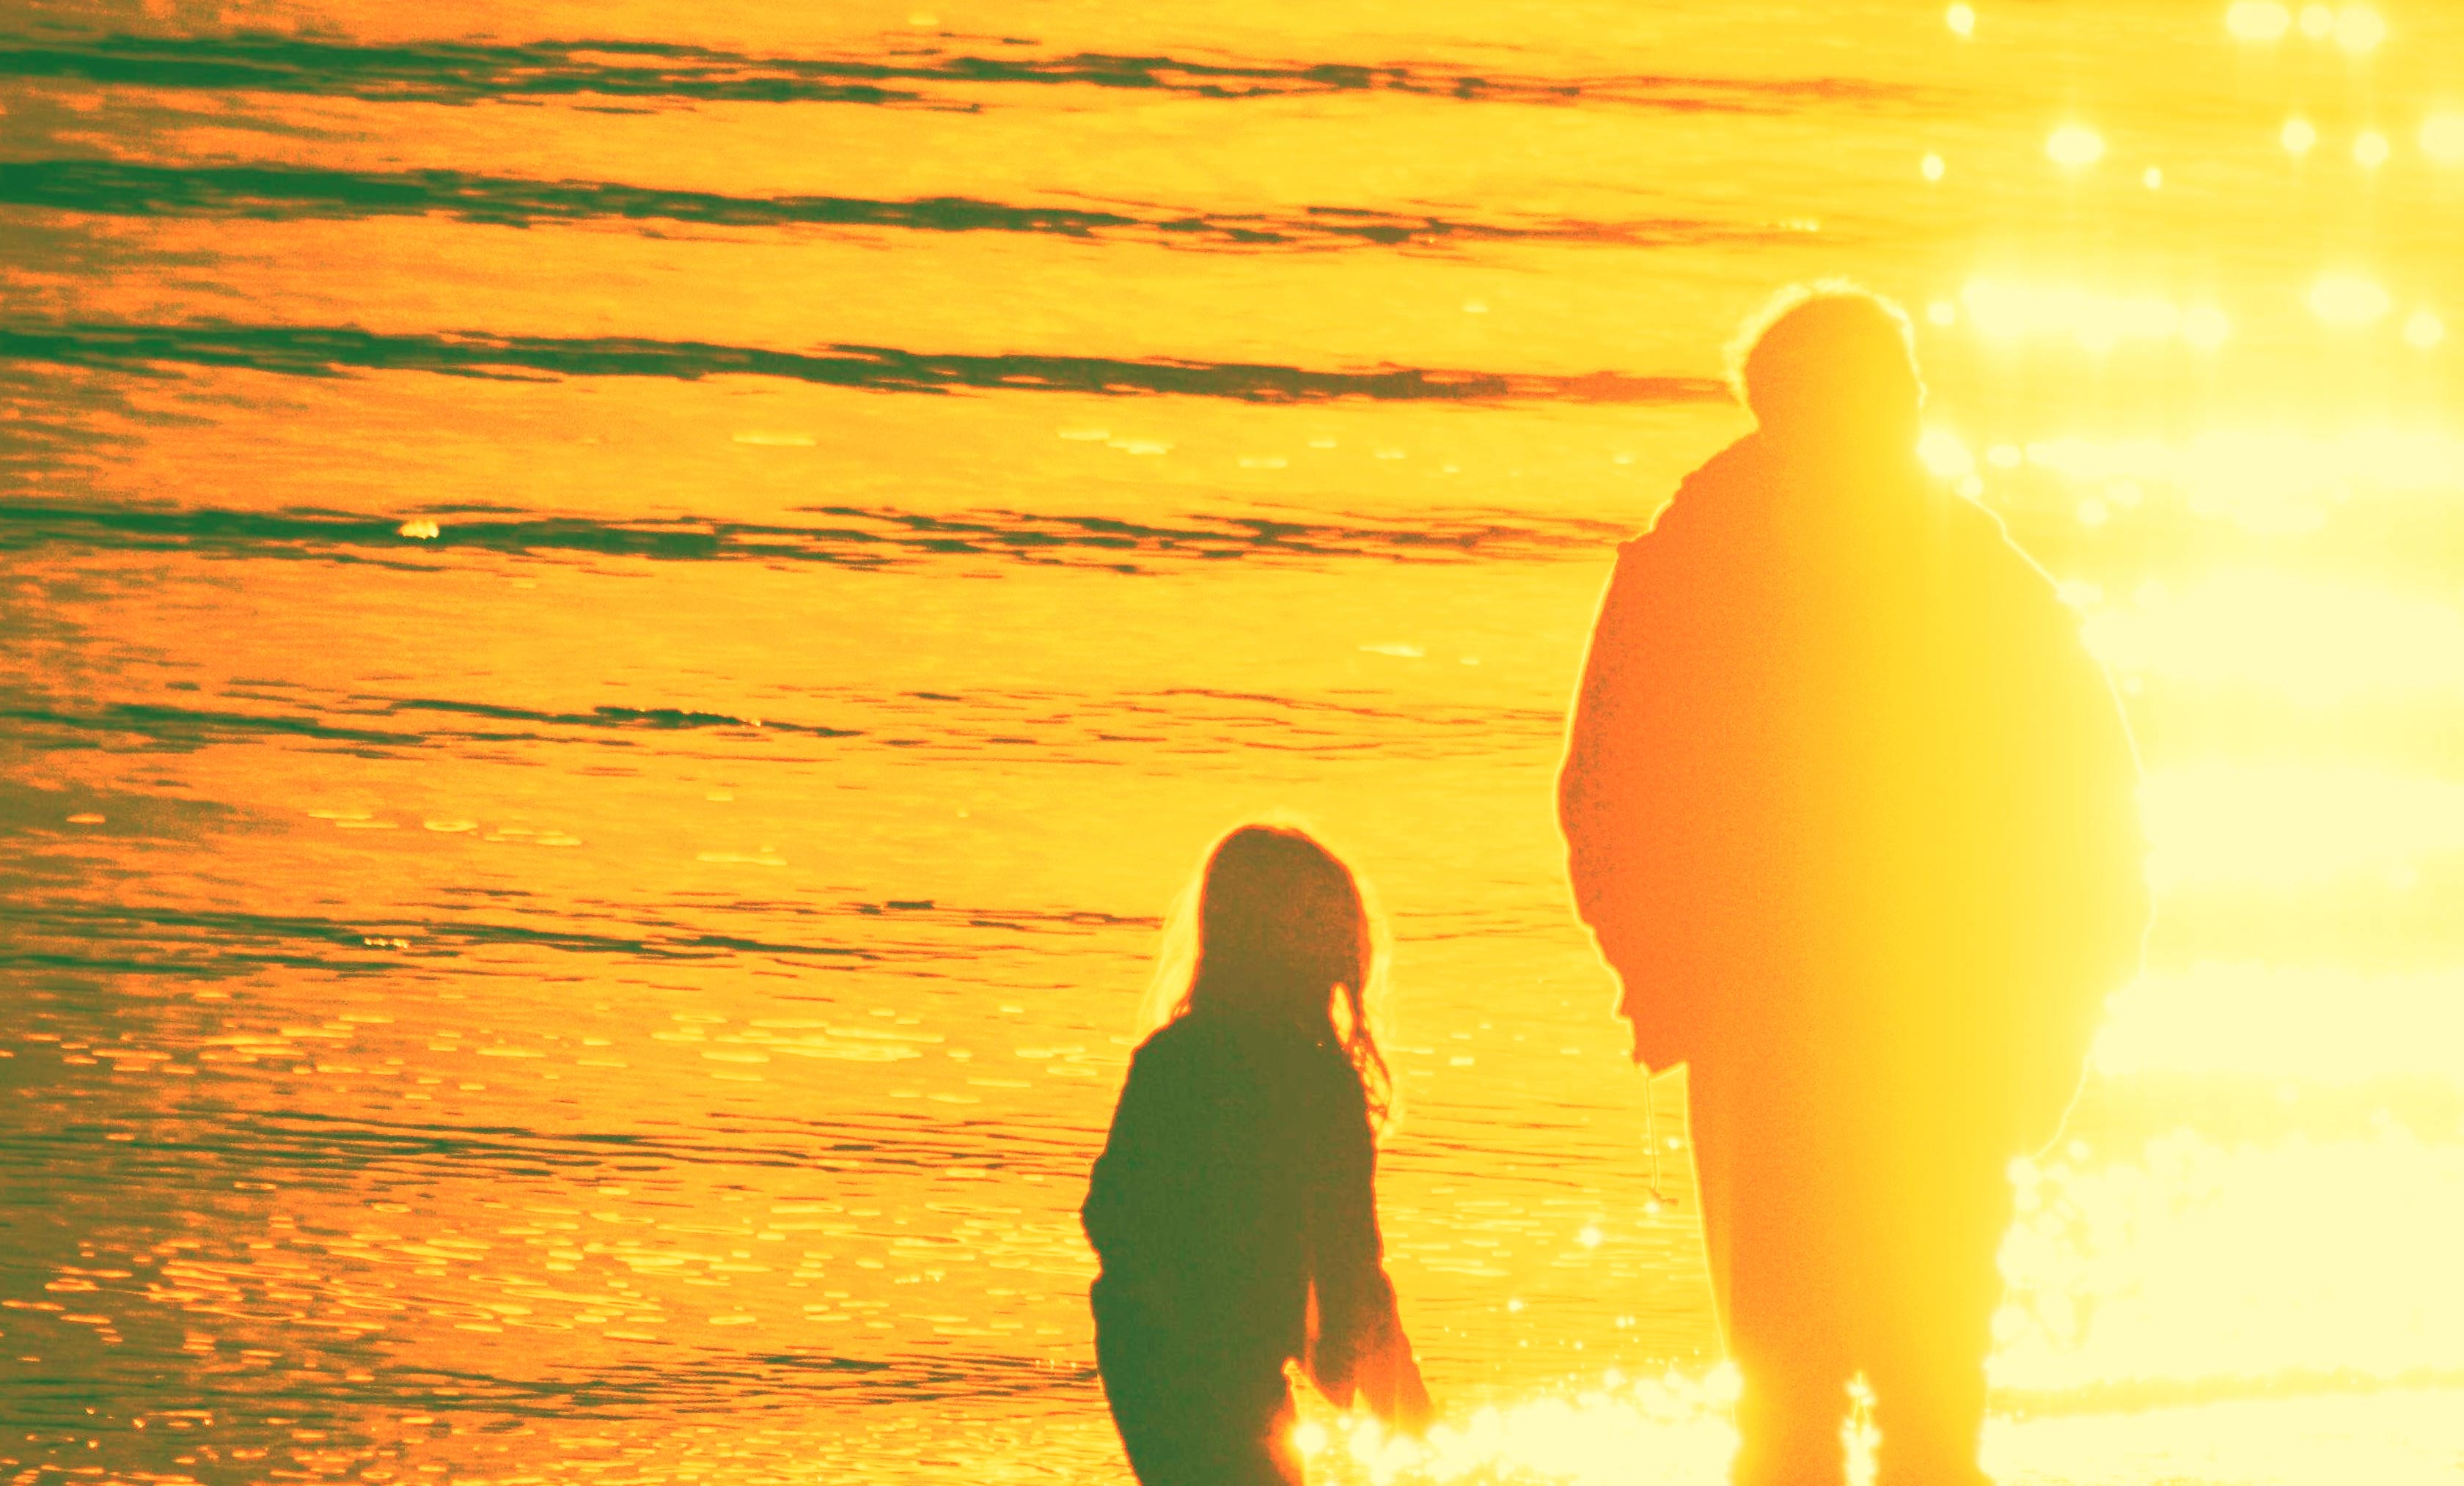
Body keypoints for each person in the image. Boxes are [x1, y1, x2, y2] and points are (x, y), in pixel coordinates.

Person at [1556, 284, 2148, 1486]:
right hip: (1778, 1029)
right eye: (1872, 399)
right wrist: (1662, 977)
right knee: (1811, 1410)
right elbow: (1604, 797)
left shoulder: (1979, 581)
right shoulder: (1693, 573)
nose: (1893, 420)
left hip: (1920, 1032)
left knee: (1898, 1407)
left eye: (1895, 400)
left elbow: (2097, 818)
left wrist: (2060, 1018)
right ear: (1788, 411)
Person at [1083, 823, 1434, 1486]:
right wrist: (1416, 1422)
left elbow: (1106, 1212)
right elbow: (1353, 1268)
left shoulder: (1171, 1059)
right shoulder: (1315, 1079)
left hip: (1142, 1355)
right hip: (1213, 1365)